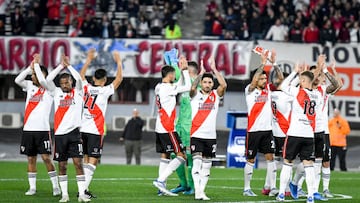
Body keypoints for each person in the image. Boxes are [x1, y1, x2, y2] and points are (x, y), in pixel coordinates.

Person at [15, 54, 60, 197]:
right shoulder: (29, 86)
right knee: (30, 159)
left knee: (47, 158)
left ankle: (56, 186)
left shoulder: (50, 89)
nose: (32, 77)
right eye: (32, 75)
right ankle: (32, 188)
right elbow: (18, 80)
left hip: (42, 130)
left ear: (43, 75)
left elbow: (41, 79)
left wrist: (36, 65)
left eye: (34, 75)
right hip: (28, 130)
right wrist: (29, 68)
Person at [46, 55, 90, 202]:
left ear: (71, 82)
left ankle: (82, 194)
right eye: (62, 83)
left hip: (75, 134)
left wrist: (69, 66)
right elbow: (47, 80)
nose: (65, 85)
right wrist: (60, 66)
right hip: (59, 135)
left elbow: (79, 78)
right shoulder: (56, 92)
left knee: (78, 163)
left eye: (67, 82)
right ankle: (65, 195)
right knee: (63, 166)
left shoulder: (78, 92)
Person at [79, 49, 123, 197]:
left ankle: (83, 190)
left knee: (85, 159)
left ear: (93, 78)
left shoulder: (86, 88)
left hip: (82, 129)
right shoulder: (105, 91)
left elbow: (81, 76)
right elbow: (119, 79)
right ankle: (82, 191)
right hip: (95, 131)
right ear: (104, 80)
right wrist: (118, 62)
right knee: (93, 161)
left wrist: (89, 59)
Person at [276, 63, 319, 203]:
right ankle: (311, 196)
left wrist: (294, 72)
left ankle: (281, 193)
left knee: (287, 163)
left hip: (294, 133)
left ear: (303, 81)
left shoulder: (297, 92)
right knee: (309, 165)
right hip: (309, 135)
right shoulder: (317, 95)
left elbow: (282, 86)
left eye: (301, 79)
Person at [152, 56, 191, 196]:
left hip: (160, 126)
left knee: (165, 155)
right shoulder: (168, 88)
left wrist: (179, 70)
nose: (176, 76)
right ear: (170, 75)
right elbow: (187, 87)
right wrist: (185, 70)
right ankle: (161, 180)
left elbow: (178, 86)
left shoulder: (159, 87)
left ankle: (160, 188)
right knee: (182, 156)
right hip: (168, 128)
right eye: (174, 74)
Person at [190, 57, 227, 200]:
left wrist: (215, 70)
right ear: (201, 83)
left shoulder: (215, 96)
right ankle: (198, 190)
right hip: (197, 133)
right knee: (197, 162)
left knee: (207, 165)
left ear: (212, 84)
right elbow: (192, 88)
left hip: (211, 136)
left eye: (209, 82)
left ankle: (201, 191)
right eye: (204, 82)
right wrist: (201, 73)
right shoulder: (194, 95)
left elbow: (223, 85)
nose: (207, 84)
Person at [243, 51, 277, 197]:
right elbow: (254, 81)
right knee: (251, 159)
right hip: (254, 130)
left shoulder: (268, 90)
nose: (264, 80)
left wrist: (273, 63)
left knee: (271, 157)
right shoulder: (249, 91)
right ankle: (246, 188)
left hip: (267, 130)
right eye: (261, 78)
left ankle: (272, 187)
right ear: (255, 80)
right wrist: (263, 62)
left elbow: (280, 79)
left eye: (265, 78)